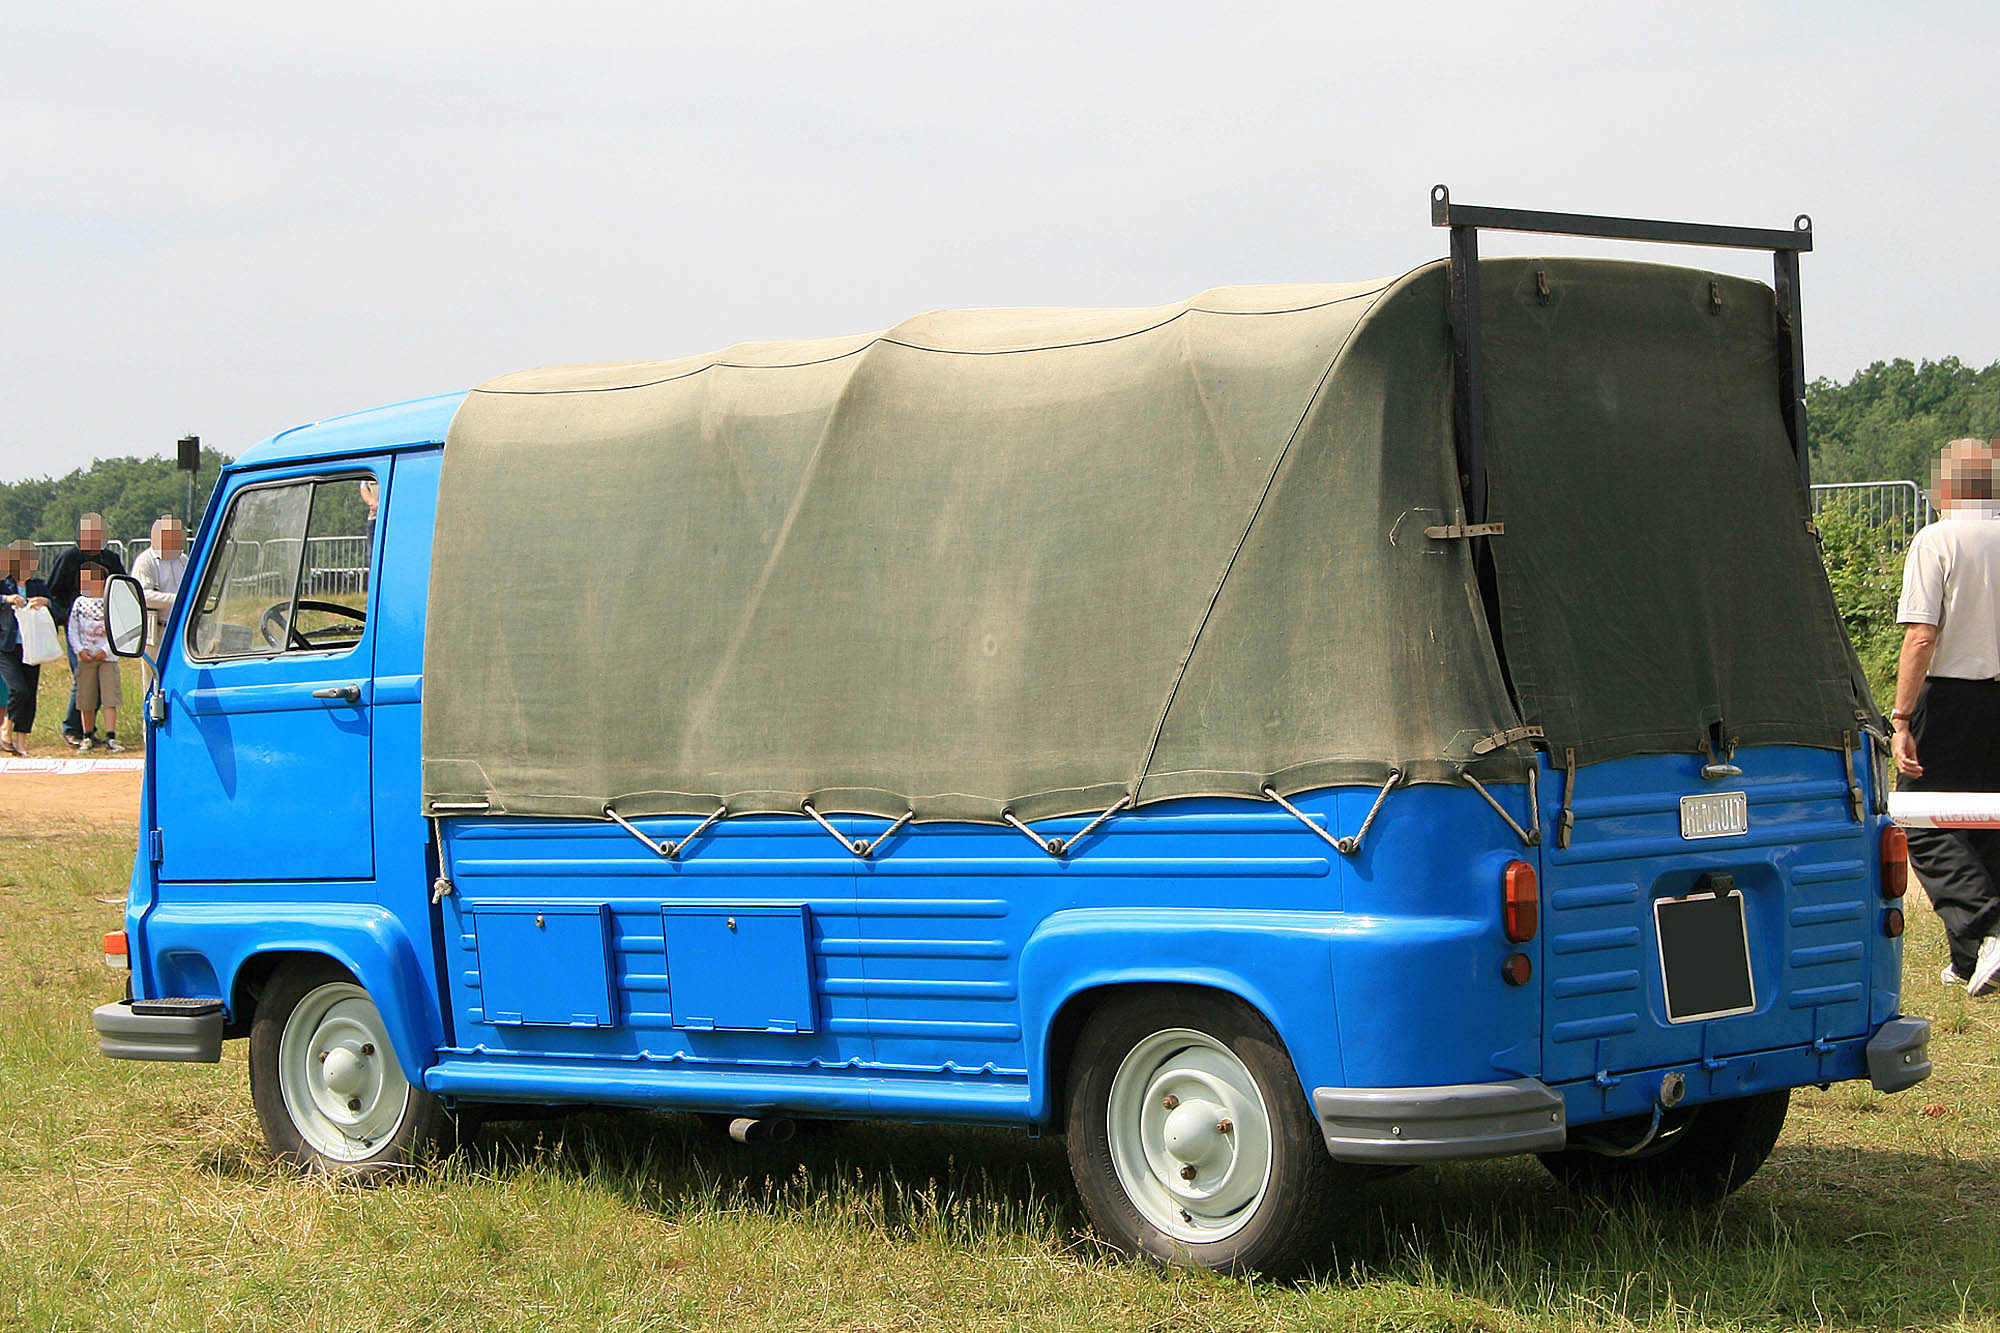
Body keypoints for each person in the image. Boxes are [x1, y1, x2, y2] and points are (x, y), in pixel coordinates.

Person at [1892, 438, 2000, 997]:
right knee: (1988, 820)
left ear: (1948, 488)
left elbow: (1921, 636)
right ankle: (1969, 959)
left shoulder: (1937, 539)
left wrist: (1901, 716)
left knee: (1920, 818)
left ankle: (1985, 932)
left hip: (1953, 694)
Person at [45, 512, 127, 747]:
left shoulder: (111, 559)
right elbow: (53, 591)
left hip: (107, 632)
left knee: (104, 682)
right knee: (82, 679)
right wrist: (64, 617)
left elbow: (122, 589)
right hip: (79, 629)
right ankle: (73, 729)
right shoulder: (68, 558)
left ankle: (89, 731)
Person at [1, 540, 52, 756]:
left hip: (32, 646)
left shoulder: (38, 584)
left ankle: (21, 743)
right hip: (6, 646)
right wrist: (7, 599)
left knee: (30, 695)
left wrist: (45, 602)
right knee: (17, 689)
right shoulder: (4, 584)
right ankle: (6, 728)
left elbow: (57, 609)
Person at [67, 562, 123, 753]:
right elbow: (72, 629)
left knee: (109, 697)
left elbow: (118, 628)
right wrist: (80, 650)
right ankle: (87, 735)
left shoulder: (111, 601)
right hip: (86, 656)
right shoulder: (79, 603)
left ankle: (111, 736)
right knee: (86, 698)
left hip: (107, 657)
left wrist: (107, 650)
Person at [131, 515, 188, 693]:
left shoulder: (183, 560)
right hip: (155, 632)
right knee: (153, 684)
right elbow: (144, 596)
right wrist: (177, 600)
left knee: (179, 682)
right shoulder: (145, 561)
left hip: (180, 629)